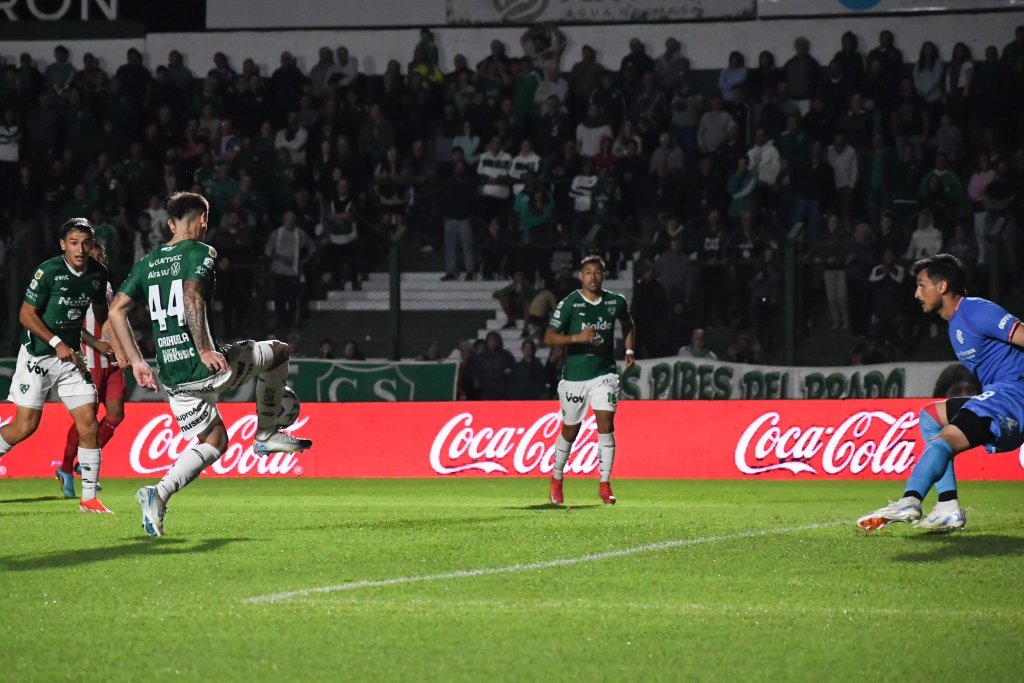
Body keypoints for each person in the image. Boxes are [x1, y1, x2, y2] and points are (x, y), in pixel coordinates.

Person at [108, 192, 313, 537]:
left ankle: (158, 494)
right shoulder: (202, 251)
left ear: (170, 224)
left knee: (215, 440)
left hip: (172, 375)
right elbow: (191, 294)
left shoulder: (148, 262)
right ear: (203, 219)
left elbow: (116, 310)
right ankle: (266, 433)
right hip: (206, 368)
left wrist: (139, 362)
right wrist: (204, 349)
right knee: (278, 351)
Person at [857, 254, 1024, 532]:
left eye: (922, 285)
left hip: (1015, 394)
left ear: (942, 286)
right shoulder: (956, 321)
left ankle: (910, 500)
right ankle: (947, 507)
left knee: (944, 440)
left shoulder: (975, 310)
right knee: (931, 417)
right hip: (1003, 395)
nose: (916, 293)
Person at [0, 218, 113, 513]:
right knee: (25, 427)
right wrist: (55, 343)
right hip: (38, 356)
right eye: (74, 243)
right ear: (63, 244)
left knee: (88, 420)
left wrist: (111, 342)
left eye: (85, 243)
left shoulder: (97, 273)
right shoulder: (48, 271)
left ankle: (89, 498)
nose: (80, 249)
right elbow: (26, 315)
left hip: (72, 357)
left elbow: (102, 311)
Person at [544, 255, 636, 505]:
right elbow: (550, 337)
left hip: (604, 373)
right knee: (570, 430)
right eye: (587, 272)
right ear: (580, 276)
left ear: (603, 276)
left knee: (605, 421)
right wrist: (576, 338)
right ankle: (557, 477)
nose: (592, 277)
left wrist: (629, 350)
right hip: (574, 377)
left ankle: (605, 483)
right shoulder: (570, 303)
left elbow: (628, 323)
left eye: (597, 272)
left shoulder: (615, 302)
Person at [55, 243, 125, 499]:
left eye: (99, 257)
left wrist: (123, 347)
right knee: (88, 422)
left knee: (116, 415)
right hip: (89, 361)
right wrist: (96, 343)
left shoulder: (105, 286)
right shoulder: (75, 287)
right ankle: (66, 468)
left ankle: (80, 464)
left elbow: (112, 320)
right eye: (92, 258)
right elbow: (70, 324)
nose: (96, 262)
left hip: (112, 361)